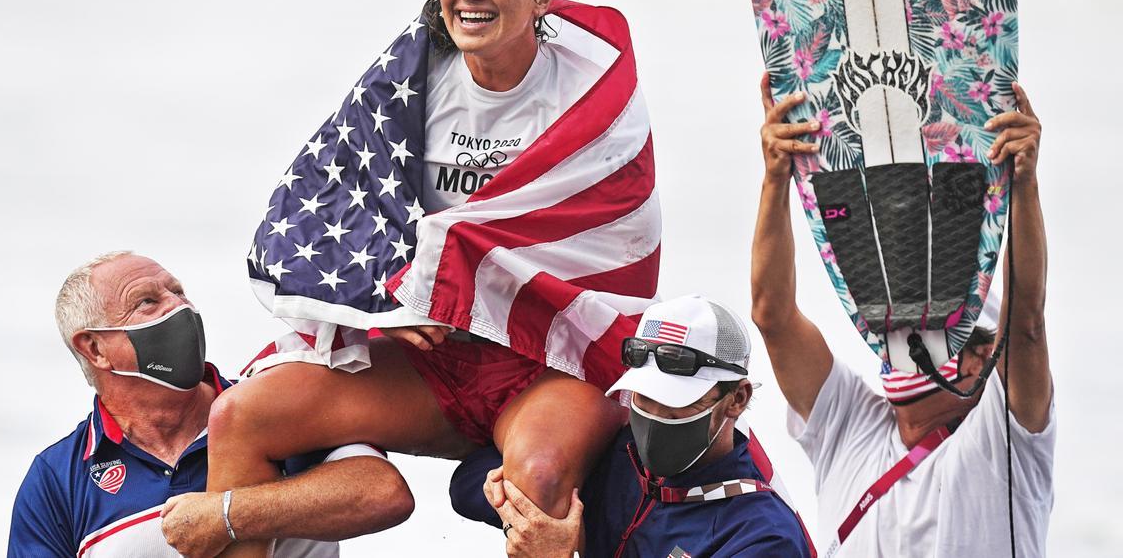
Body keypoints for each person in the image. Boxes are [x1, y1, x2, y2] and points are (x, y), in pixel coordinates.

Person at [206, 0, 660, 558]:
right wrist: (380, 302)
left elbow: (603, 232)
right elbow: (330, 200)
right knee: (242, 416)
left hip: (556, 358)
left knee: (531, 480)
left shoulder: (595, 87)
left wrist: (422, 283)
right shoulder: (418, 77)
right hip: (437, 359)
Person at [751, 75, 1054, 556]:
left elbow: (1027, 325)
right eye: (896, 319)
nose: (904, 331)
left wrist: (1023, 185)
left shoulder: (1004, 442)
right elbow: (773, 316)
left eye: (931, 322)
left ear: (980, 360)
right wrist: (775, 180)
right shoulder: (850, 424)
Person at [7, 251, 414, 557]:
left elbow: (384, 493)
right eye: (148, 302)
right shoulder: (56, 478)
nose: (179, 307)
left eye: (178, 291)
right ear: (95, 348)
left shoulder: (275, 407)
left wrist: (226, 514)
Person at [448, 295, 812, 558]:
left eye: (674, 404)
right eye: (643, 398)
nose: (652, 420)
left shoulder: (762, 538)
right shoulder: (619, 455)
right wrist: (521, 497)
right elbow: (467, 483)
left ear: (737, 399)